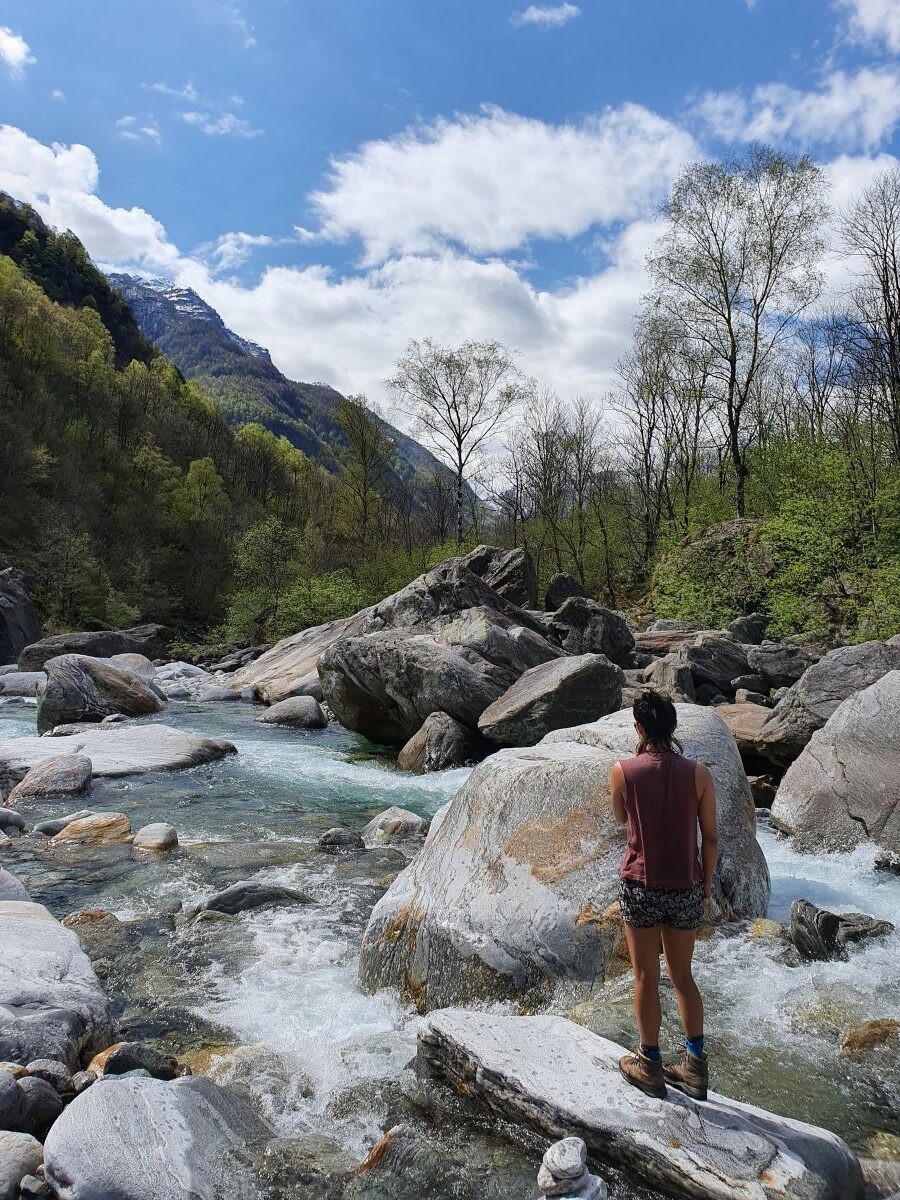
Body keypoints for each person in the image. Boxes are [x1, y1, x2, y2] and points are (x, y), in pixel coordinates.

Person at [609, 689, 718, 1102]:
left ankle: (650, 1063)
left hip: (640, 886)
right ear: (673, 728)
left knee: (644, 976)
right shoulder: (698, 774)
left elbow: (621, 817)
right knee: (683, 977)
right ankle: (694, 1065)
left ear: (637, 727)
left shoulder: (623, 771)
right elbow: (710, 838)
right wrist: (705, 882)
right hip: (684, 886)